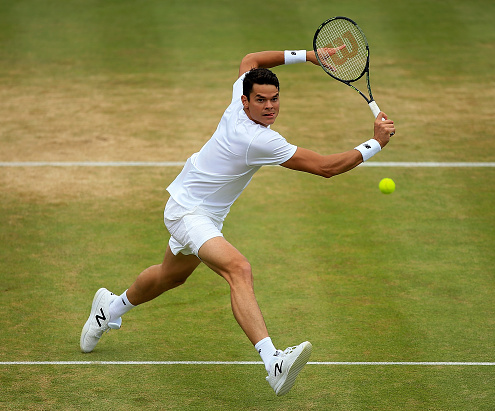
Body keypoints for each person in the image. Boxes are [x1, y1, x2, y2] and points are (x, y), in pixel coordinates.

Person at [80, 47, 396, 396]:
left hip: (200, 210)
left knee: (170, 276)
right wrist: (375, 143)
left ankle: (109, 308)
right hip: (188, 211)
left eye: (275, 99)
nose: (270, 106)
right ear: (246, 102)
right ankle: (273, 361)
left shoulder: (238, 102)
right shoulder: (258, 139)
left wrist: (309, 56)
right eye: (261, 100)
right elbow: (325, 167)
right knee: (239, 269)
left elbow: (250, 60)